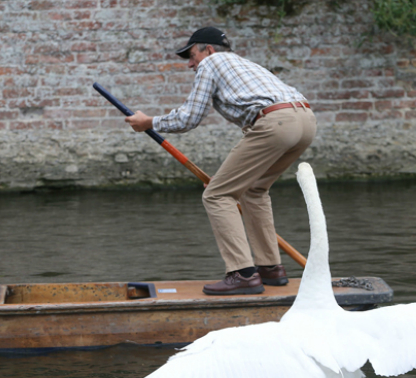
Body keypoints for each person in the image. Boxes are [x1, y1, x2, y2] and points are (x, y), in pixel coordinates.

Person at [125, 26, 317, 295]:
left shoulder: (212, 63)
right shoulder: (244, 64)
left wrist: (149, 122)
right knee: (254, 190)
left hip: (276, 122)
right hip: (305, 120)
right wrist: (230, 177)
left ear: (209, 49)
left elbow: (189, 118)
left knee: (216, 196)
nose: (190, 64)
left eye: (192, 55)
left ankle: (243, 274)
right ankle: (271, 269)